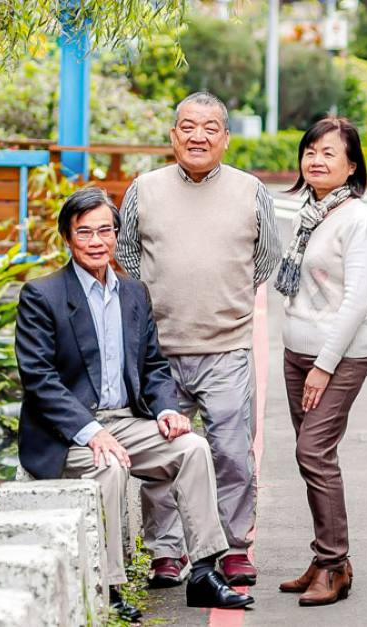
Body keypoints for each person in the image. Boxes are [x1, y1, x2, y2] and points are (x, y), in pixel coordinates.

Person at [15, 187, 255, 621]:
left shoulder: (133, 293)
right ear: (67, 238)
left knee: (193, 448)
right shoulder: (42, 295)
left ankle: (202, 571)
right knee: (110, 465)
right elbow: (40, 380)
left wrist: (166, 409)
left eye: (105, 231)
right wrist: (93, 433)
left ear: (116, 234)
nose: (96, 242)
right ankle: (110, 587)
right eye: (84, 232)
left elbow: (153, 365)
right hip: (68, 433)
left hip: (126, 422)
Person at [116, 91, 281, 588]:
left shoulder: (250, 190)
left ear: (226, 138)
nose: (198, 136)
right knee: (164, 453)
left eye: (211, 127)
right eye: (188, 126)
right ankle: (166, 553)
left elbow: (266, 259)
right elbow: (127, 254)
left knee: (230, 452)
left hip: (226, 347)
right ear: (173, 135)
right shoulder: (143, 188)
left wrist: (222, 293)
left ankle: (233, 547)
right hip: (159, 352)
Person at [274, 117, 367, 606]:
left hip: (338, 356)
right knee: (312, 456)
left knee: (313, 453)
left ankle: (334, 563)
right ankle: (326, 560)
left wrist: (324, 365)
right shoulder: (311, 211)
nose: (316, 160)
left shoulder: (358, 221)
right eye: (310, 151)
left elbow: (356, 301)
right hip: (297, 352)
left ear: (352, 165)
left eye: (329, 153)